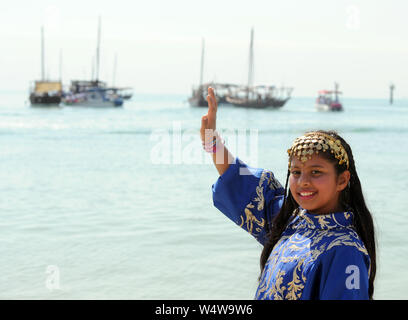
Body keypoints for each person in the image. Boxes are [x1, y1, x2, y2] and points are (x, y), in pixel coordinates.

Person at [200, 87, 376, 300]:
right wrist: (213, 143)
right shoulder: (290, 220)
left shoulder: (345, 251)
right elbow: (242, 184)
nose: (303, 182)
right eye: (296, 172)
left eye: (316, 172)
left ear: (342, 180)